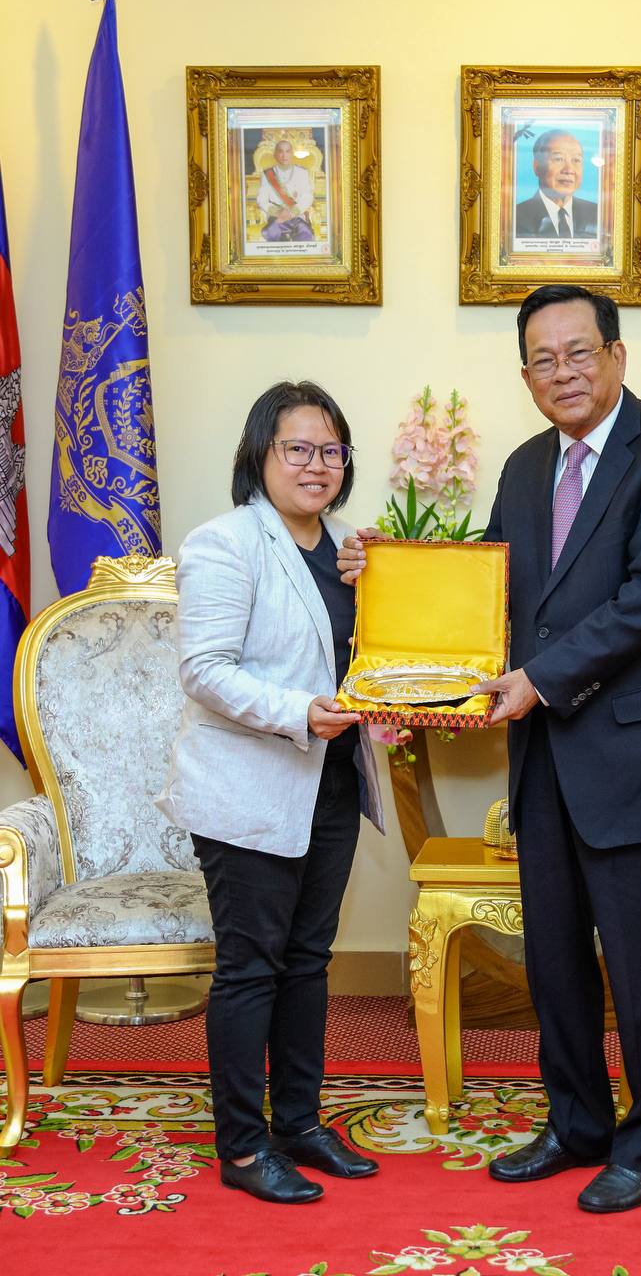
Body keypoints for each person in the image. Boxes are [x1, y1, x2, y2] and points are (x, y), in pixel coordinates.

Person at [338, 284, 641, 1213]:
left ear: (617, 355)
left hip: (635, 754)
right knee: (554, 958)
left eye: (579, 352)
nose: (564, 372)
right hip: (546, 758)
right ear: (525, 377)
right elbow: (490, 599)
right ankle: (577, 1123)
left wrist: (539, 680)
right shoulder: (521, 466)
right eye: (543, 360)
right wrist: (391, 573)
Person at [156, 380, 384, 1205]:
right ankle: (244, 1149)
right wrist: (299, 712)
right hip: (248, 788)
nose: (317, 465)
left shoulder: (351, 551)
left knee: (309, 961)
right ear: (260, 455)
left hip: (332, 782)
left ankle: (298, 1123)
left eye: (332, 450)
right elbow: (205, 670)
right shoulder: (223, 544)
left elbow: (373, 653)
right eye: (298, 449)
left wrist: (382, 587)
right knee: (251, 968)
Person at [514, 130, 599, 240]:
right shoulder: (514, 217)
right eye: (558, 159)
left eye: (576, 160)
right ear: (537, 167)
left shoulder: (597, 213)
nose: (569, 170)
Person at [256, 140, 315, 242]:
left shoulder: (302, 172)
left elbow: (307, 197)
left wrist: (294, 211)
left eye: (287, 151)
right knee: (271, 233)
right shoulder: (268, 174)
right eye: (280, 151)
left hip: (296, 215)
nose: (284, 155)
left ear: (292, 153)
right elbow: (261, 199)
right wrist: (277, 212)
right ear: (275, 154)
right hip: (276, 217)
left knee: (305, 233)